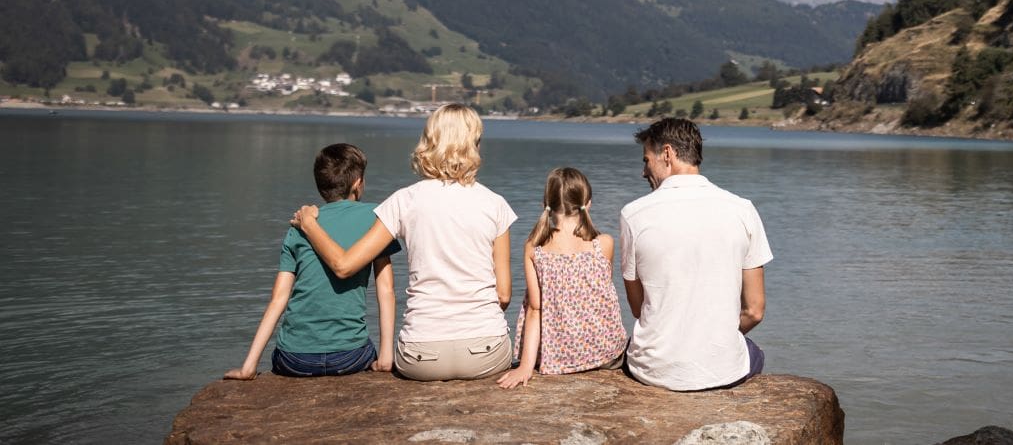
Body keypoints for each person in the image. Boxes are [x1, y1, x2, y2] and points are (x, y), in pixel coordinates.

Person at [291, 103, 517, 380]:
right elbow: (504, 295)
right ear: (474, 144)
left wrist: (309, 224)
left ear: (429, 142)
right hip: (486, 353)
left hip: (421, 356)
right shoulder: (495, 204)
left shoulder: (403, 201)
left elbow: (344, 266)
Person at [619, 117, 772, 390]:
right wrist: (714, 341)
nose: (644, 171)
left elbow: (638, 308)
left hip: (653, 370)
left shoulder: (633, 215)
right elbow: (755, 311)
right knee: (754, 353)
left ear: (667, 154)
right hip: (721, 371)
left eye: (646, 160)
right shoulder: (743, 209)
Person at [225, 143, 398, 379]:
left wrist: (249, 367)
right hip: (349, 357)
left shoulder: (299, 226)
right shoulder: (375, 218)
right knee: (364, 347)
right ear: (358, 183)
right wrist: (385, 357)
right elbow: (386, 290)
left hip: (294, 359)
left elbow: (279, 299)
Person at [496, 167, 627, 387]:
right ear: (588, 204)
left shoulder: (535, 249)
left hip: (557, 359)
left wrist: (526, 366)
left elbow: (535, 310)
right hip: (606, 354)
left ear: (545, 205)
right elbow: (600, 300)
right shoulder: (603, 244)